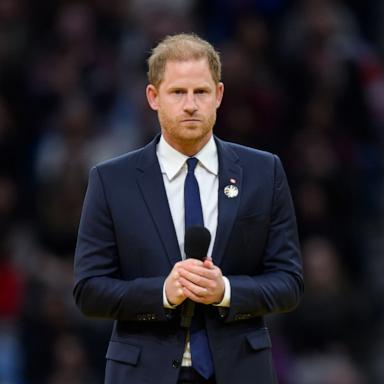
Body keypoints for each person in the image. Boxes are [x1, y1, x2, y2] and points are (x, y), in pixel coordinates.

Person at [73, 33, 303, 384]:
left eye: (201, 92)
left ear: (219, 95)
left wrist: (225, 290)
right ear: (153, 97)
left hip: (240, 370)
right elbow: (89, 290)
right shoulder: (111, 180)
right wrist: (163, 292)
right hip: (143, 373)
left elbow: (288, 281)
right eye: (178, 92)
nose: (191, 105)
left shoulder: (264, 171)